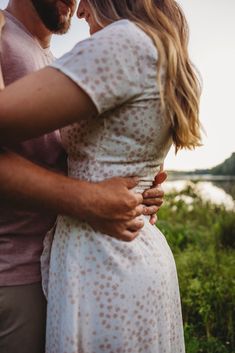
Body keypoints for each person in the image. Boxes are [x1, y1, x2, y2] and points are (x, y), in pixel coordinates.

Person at [0, 0, 201, 352]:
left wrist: (131, 189)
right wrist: (95, 195)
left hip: (96, 266)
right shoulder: (145, 46)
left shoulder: (113, 47)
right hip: (41, 268)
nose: (79, 11)